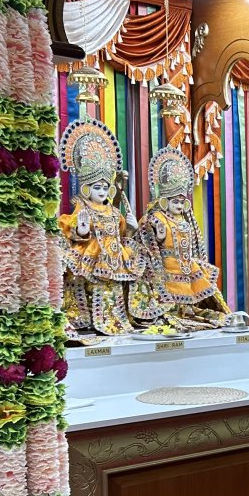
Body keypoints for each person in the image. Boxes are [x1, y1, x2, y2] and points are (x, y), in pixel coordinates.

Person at [58, 117, 144, 336]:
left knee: (115, 290)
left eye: (106, 188)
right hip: (94, 256)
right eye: (97, 187)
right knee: (93, 288)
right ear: (87, 189)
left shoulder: (115, 212)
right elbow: (71, 228)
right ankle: (88, 321)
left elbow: (123, 234)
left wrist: (132, 229)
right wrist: (82, 231)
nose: (103, 192)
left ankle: (117, 320)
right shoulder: (83, 208)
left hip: (115, 257)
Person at [136, 145, 230, 330]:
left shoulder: (186, 220)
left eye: (181, 201)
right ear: (164, 201)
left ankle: (187, 310)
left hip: (186, 266)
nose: (179, 205)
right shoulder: (156, 218)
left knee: (191, 296)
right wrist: (159, 237)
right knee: (172, 297)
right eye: (175, 201)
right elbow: (145, 237)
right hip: (167, 267)